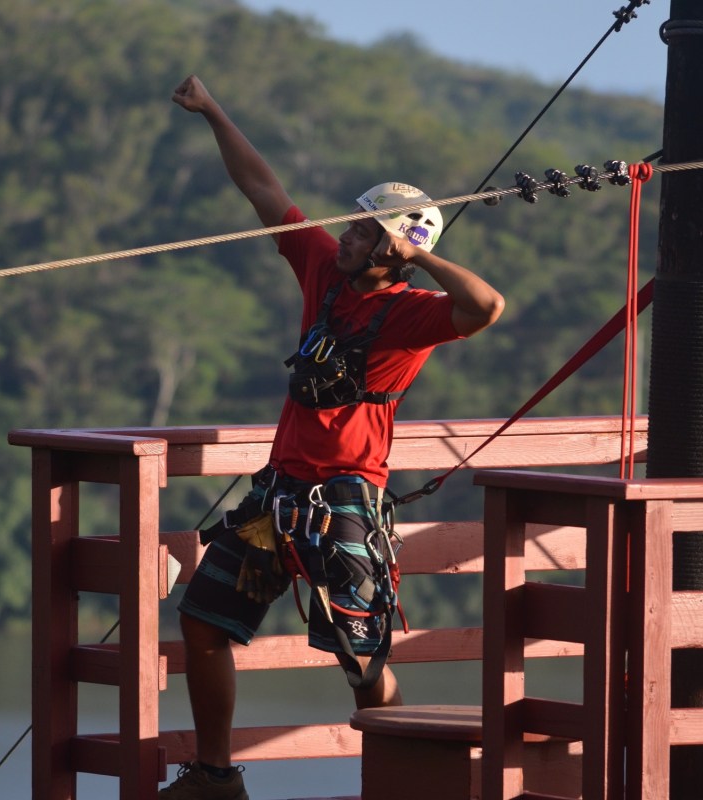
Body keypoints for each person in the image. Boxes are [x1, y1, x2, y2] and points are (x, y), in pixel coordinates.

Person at [162, 74, 505, 800]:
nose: (343, 236)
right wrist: (214, 110)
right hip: (278, 495)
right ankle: (217, 777)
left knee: (363, 656)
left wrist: (420, 255)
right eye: (350, 227)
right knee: (202, 621)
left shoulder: (412, 315)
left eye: (361, 231)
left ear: (390, 251)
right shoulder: (325, 273)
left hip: (346, 498)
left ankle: (407, 788)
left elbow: (485, 305)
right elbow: (264, 191)